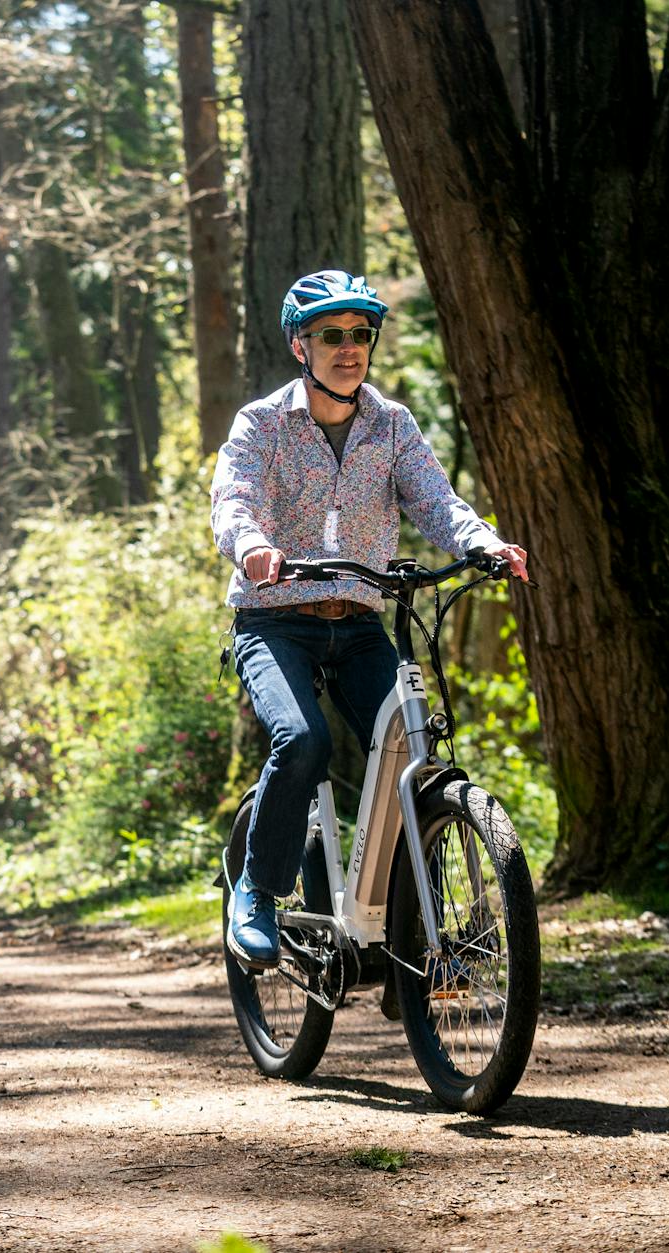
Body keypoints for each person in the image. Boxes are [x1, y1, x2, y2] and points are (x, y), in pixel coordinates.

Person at [209, 269, 529, 968]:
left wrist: (482, 543)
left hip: (358, 622)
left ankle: (411, 926)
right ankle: (259, 892)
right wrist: (254, 545)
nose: (349, 348)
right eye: (332, 335)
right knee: (301, 739)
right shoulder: (262, 424)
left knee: (412, 755)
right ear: (301, 345)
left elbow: (437, 502)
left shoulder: (392, 426)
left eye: (360, 334)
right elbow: (233, 498)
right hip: (273, 621)